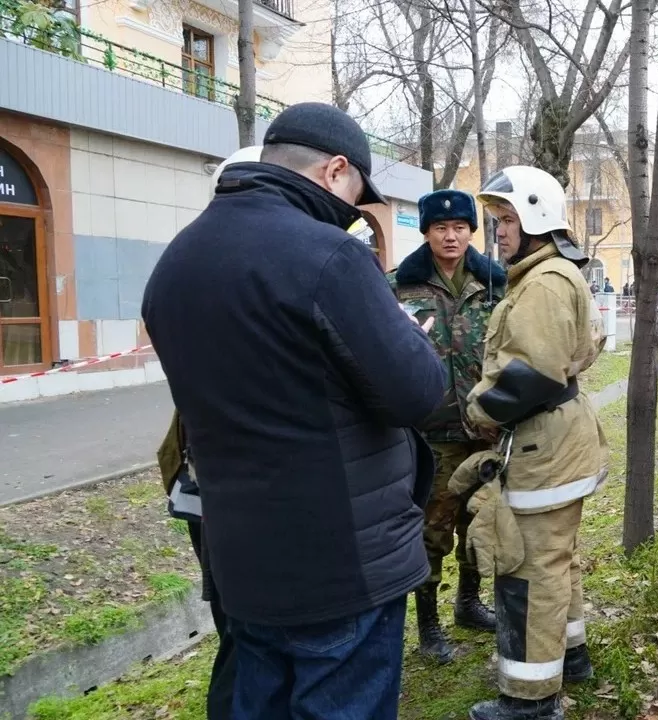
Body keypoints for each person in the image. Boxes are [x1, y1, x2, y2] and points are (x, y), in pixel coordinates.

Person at [142, 102, 448, 720]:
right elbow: (418, 393)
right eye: (359, 193)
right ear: (337, 169)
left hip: (242, 564)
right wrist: (408, 334)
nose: (358, 210)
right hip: (342, 566)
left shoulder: (175, 261)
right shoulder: (329, 256)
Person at [465, 165, 610, 720]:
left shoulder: (545, 282)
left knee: (528, 568)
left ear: (535, 218)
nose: (497, 231)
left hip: (541, 446)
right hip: (558, 441)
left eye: (506, 219)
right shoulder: (551, 273)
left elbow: (532, 375)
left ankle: (529, 700)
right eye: (497, 220)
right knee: (557, 559)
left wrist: (481, 410)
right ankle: (568, 659)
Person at [150, 145, 269, 720]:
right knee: (250, 637)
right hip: (236, 490)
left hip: (206, 487)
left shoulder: (193, 263)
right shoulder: (248, 276)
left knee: (239, 631)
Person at [387, 188, 506, 663]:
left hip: (484, 429)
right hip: (429, 432)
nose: (451, 236)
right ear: (427, 232)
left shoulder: (494, 283)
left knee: (478, 524)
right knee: (430, 532)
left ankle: (468, 604)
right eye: (441, 228)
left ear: (471, 232)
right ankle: (429, 626)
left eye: (459, 228)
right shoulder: (399, 285)